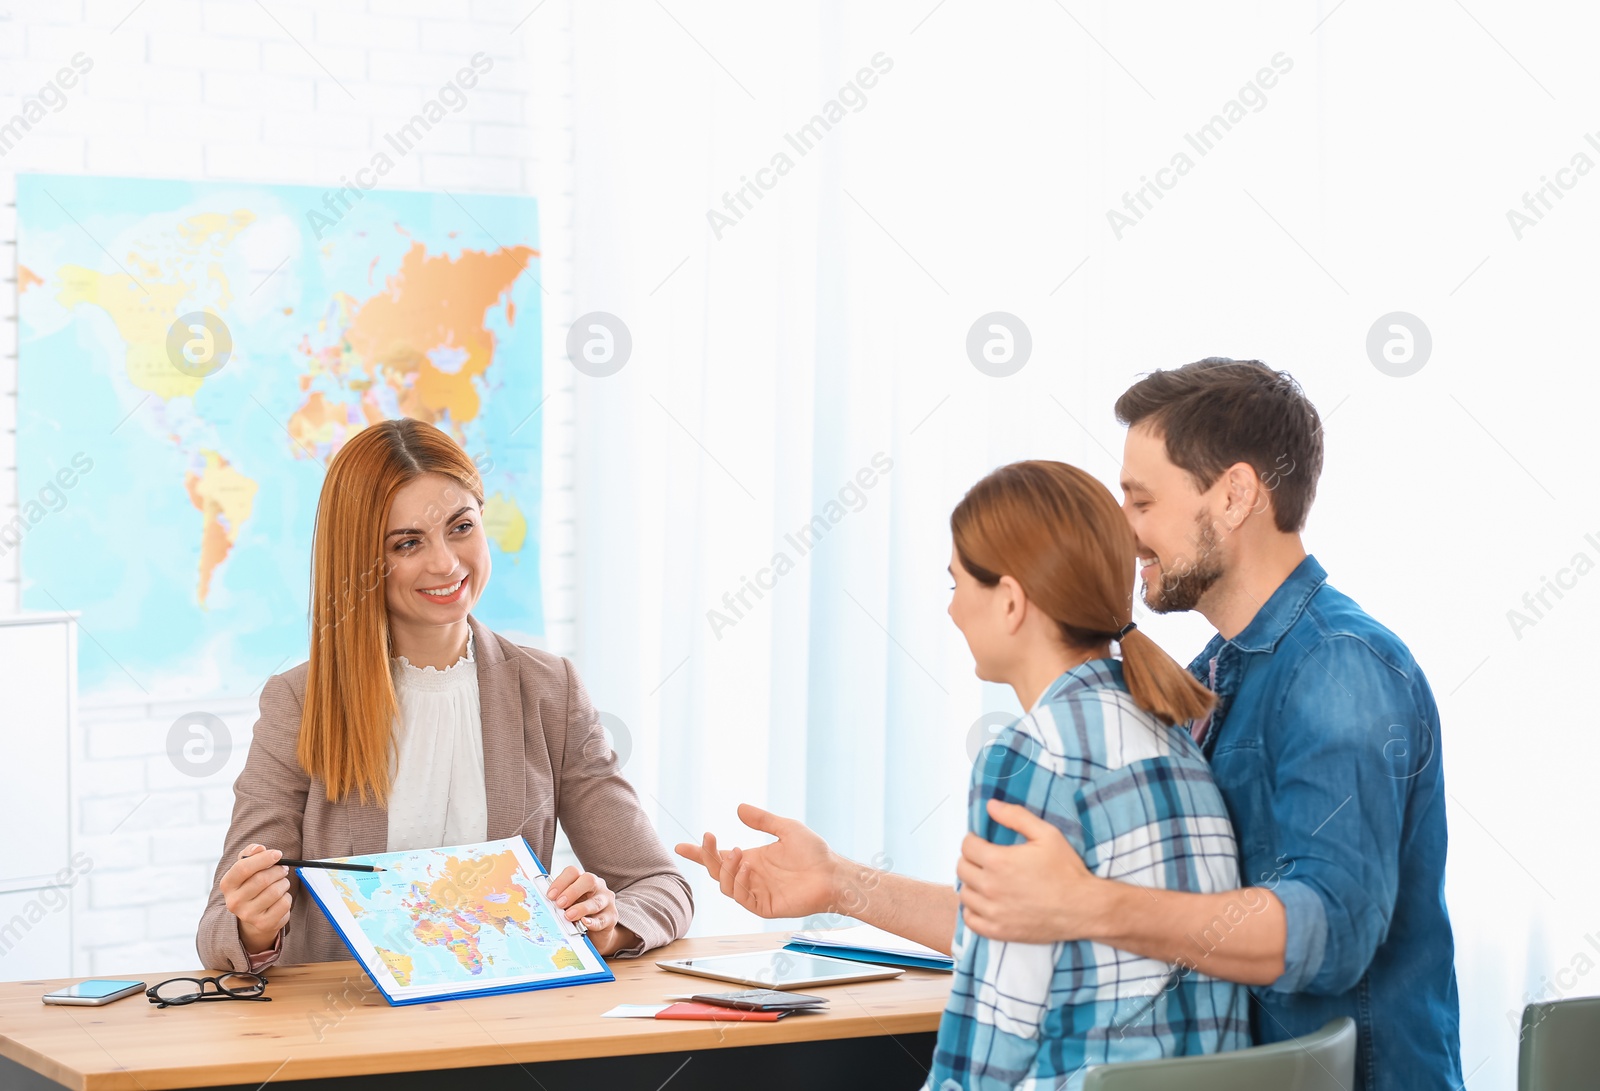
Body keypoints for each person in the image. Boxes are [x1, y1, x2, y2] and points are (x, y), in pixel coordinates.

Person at [678, 360, 1460, 1091]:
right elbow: (1037, 921)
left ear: (1234, 494)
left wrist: (1087, 904)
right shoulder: (1205, 683)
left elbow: (1333, 934)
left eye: (1142, 500)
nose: (1122, 531)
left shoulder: (1339, 669)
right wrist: (842, 883)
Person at [197, 418, 692, 971]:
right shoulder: (299, 701)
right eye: (408, 543)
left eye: (460, 527)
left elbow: (661, 886)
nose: (446, 563)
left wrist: (607, 927)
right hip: (344, 1039)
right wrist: (253, 925)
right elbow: (218, 926)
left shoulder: (550, 690)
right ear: (361, 561)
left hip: (507, 1026)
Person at [927, 460, 1249, 1088]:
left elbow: (993, 1031)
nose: (953, 613)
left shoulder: (1030, 756)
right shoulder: (1175, 735)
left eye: (956, 586)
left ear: (1012, 601)